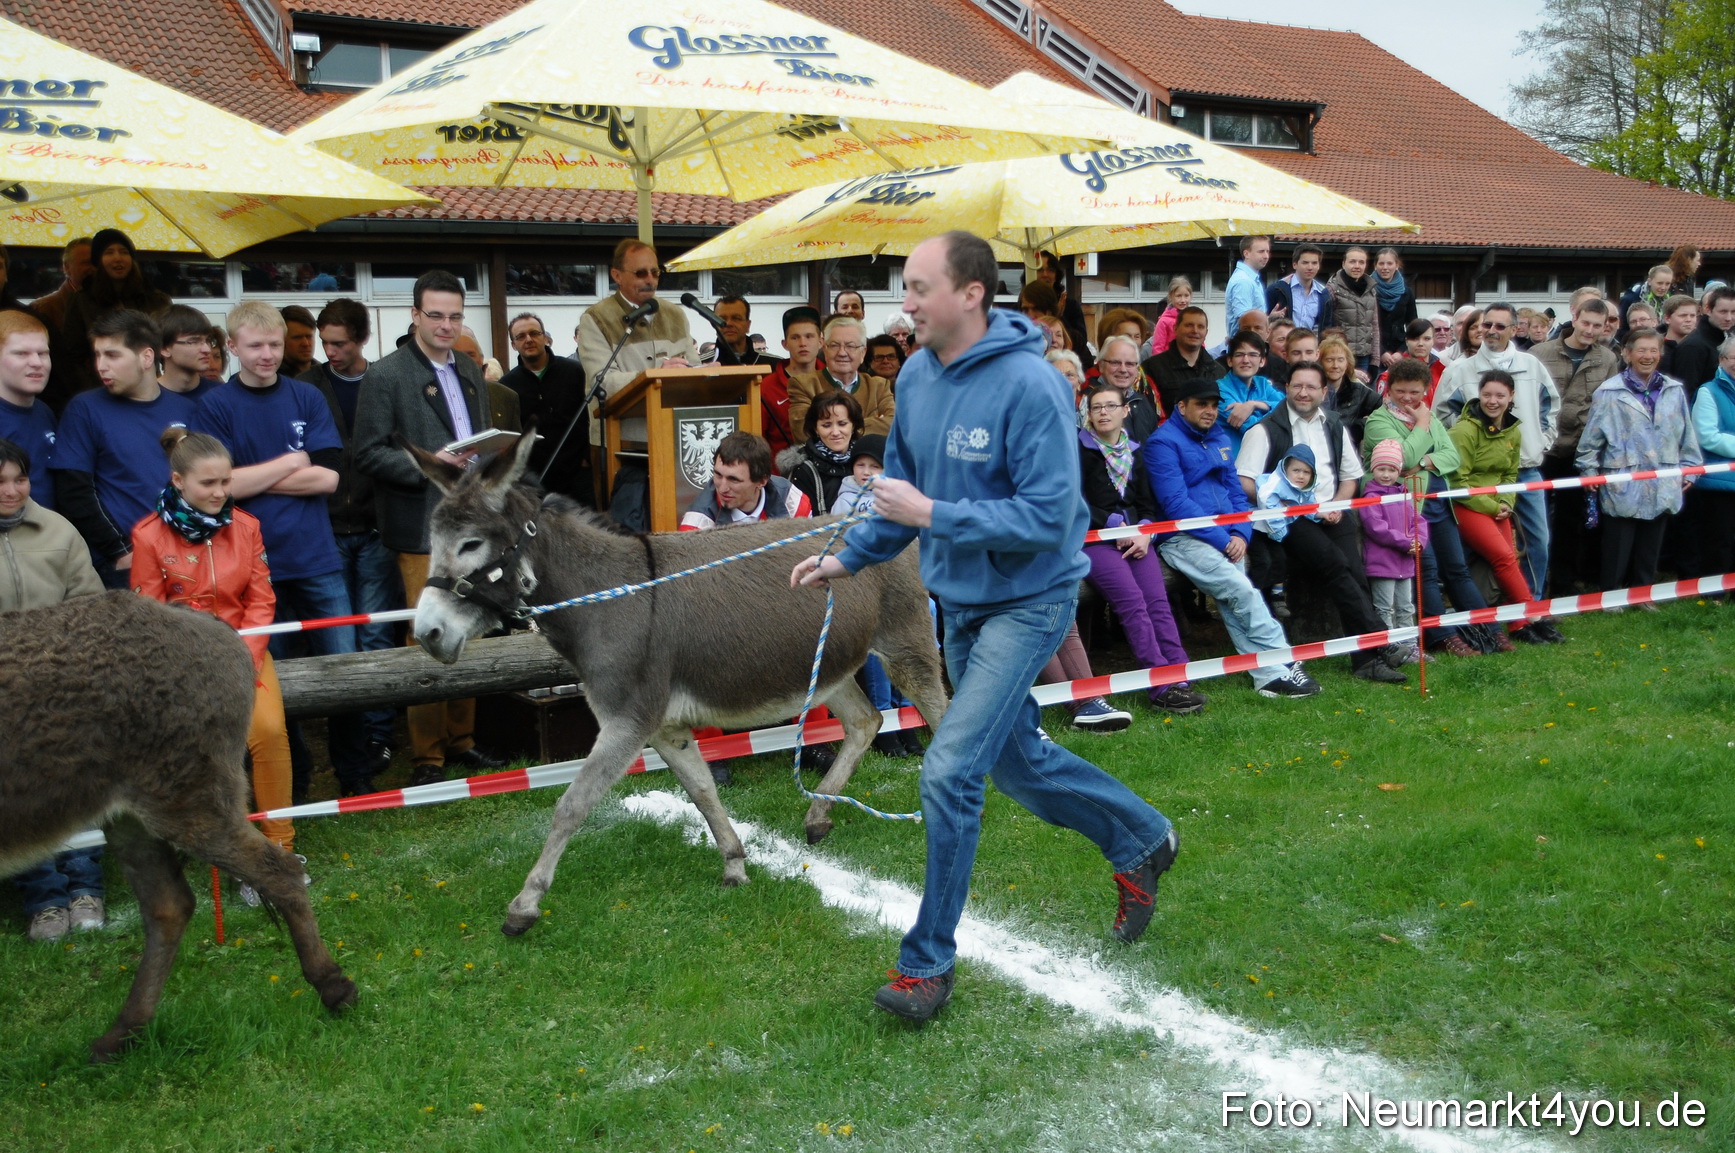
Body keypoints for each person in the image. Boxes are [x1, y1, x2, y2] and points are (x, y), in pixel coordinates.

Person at [792, 231, 1179, 1022]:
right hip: (960, 607)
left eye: (917, 288)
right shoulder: (921, 381)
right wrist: (848, 557)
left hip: (1030, 601)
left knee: (950, 768)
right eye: (902, 288)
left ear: (970, 294)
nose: (903, 306)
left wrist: (933, 514)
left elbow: (1050, 519)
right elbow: (897, 493)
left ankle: (924, 965)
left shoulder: (1031, 386)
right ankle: (1141, 837)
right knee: (1015, 764)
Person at [193, 301, 379, 802]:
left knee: (346, 672)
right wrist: (291, 462)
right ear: (232, 347)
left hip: (318, 557)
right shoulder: (215, 405)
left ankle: (355, 773)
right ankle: (291, 779)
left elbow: (329, 477)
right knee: (271, 682)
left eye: (275, 344)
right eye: (256, 345)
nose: (268, 354)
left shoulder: (306, 395)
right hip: (252, 567)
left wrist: (256, 475)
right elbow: (221, 486)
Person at [131, 428, 303, 904]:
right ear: (179, 481)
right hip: (182, 666)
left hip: (242, 653)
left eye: (226, 482)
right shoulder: (148, 536)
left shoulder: (246, 526)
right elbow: (152, 616)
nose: (220, 493)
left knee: (267, 732)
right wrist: (192, 674)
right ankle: (238, 855)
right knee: (211, 755)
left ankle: (280, 849)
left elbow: (262, 599)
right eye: (208, 484)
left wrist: (240, 663)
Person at [353, 270, 505, 787]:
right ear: (414, 316)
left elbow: (476, 440)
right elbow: (367, 452)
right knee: (429, 634)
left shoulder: (466, 366)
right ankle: (427, 757)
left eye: (455, 316)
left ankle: (462, 741)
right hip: (420, 525)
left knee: (472, 627)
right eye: (435, 315)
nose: (445, 325)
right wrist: (428, 464)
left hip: (471, 521)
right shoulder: (385, 375)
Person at [1145, 377, 1321, 698]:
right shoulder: (1162, 443)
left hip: (1228, 533)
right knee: (1243, 593)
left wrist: (1240, 531)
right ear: (1181, 406)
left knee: (1234, 598)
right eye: (1201, 404)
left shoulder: (1218, 438)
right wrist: (1223, 538)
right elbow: (1175, 504)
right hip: (1181, 536)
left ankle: (1267, 677)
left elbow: (1236, 493)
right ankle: (1285, 657)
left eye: (1213, 404)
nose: (1210, 411)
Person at [1238, 362, 1407, 685]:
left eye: (1310, 387)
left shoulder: (1334, 424)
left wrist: (1336, 505)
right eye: (1297, 386)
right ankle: (1381, 639)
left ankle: (1367, 661)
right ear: (1286, 388)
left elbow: (1351, 476)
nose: (1303, 392)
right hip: (1288, 519)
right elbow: (1243, 479)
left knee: (1356, 576)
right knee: (1334, 565)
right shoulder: (1264, 429)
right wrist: (1281, 499)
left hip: (1331, 511)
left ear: (1323, 392)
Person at [0, 435, 106, 941]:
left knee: (77, 785)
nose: (12, 490)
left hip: (66, 683)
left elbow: (91, 607)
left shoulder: (59, 531)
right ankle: (44, 897)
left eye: (19, 479)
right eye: (0, 482)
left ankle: (86, 888)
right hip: (5, 694)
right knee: (21, 794)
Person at [298, 297, 400, 787]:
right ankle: (354, 745)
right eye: (324, 342)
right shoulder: (307, 386)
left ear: (361, 340)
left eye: (338, 343)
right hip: (329, 529)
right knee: (340, 638)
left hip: (378, 524)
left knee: (377, 633)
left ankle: (380, 735)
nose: (329, 351)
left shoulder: (383, 380)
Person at [1078, 384, 1206, 714]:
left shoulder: (1137, 451)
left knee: (1157, 601)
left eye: (1110, 406)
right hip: (1093, 540)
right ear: (1089, 416)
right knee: (1132, 603)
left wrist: (1145, 533)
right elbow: (1072, 502)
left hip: (1136, 539)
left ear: (1126, 410)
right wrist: (1110, 523)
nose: (1103, 412)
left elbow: (1148, 506)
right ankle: (1160, 686)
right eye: (1096, 408)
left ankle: (1179, 674)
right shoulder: (1077, 452)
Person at [49, 310, 197, 589]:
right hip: (126, 563)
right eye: (98, 355)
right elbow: (74, 490)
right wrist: (119, 551)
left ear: (146, 357)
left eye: (112, 355)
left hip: (187, 557)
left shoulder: (186, 409)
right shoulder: (85, 409)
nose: (101, 366)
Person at [1434, 303, 1560, 599]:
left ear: (1515, 330)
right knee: (1475, 547)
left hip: (1524, 469)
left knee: (1537, 542)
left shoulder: (1531, 365)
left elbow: (1550, 407)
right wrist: (1466, 446)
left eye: (1499, 326)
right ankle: (1478, 608)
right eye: (1486, 324)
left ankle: (1531, 607)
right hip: (1474, 478)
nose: (1490, 331)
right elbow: (1441, 417)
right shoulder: (1460, 370)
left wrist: (1540, 442)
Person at [1361, 358, 1483, 657]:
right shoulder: (1379, 420)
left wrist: (1424, 463)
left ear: (1426, 390)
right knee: (1425, 571)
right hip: (1405, 509)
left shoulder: (1428, 416)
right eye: (1400, 391)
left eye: (1415, 392)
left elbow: (1451, 457)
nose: (1407, 398)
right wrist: (1423, 426)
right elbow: (1398, 462)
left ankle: (1487, 628)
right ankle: (1441, 636)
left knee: (1456, 566)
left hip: (1439, 504)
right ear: (1388, 390)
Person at [1577, 329, 1702, 597]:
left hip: (1663, 476)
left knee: (1651, 543)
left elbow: (1686, 431)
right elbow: (1591, 439)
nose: (1648, 356)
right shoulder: (1609, 392)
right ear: (1627, 354)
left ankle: (1643, 594)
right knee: (1618, 543)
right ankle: (1610, 595)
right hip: (1623, 476)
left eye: (1653, 350)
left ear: (1660, 353)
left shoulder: (1673, 389)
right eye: (1641, 350)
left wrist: (1691, 467)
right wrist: (1588, 470)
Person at [577, 239, 699, 507]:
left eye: (655, 272)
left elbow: (691, 367)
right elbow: (602, 382)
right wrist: (656, 373)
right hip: (620, 444)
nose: (650, 280)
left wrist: (704, 372)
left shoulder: (675, 314)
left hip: (673, 436)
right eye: (641, 273)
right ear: (616, 276)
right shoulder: (596, 319)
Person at [1447, 371, 1561, 643]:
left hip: (1498, 504)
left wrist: (1506, 503)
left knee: (1511, 560)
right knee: (1504, 558)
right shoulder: (1463, 430)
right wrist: (1490, 506)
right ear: (1479, 394)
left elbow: (1511, 475)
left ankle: (1519, 625)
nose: (1492, 401)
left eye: (1500, 395)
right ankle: (1535, 617)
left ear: (1511, 397)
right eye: (1487, 394)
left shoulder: (1514, 430)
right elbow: (1456, 481)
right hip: (1466, 503)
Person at [1533, 298, 1620, 592]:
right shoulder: (1540, 353)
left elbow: (1608, 407)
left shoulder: (1607, 359)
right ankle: (1532, 583)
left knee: (1571, 523)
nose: (1590, 330)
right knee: (1534, 522)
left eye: (1597, 325)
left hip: (1579, 452)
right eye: (1586, 323)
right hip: (1542, 450)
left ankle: (1563, 584)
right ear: (1575, 317)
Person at [60, 228, 171, 399]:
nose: (118, 258)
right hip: (102, 390)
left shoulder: (156, 299)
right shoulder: (82, 301)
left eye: (124, 252)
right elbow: (72, 355)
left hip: (149, 389)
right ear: (98, 261)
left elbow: (168, 345)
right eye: (109, 252)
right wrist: (89, 388)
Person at [499, 311, 590, 502]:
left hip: (577, 474)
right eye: (521, 336)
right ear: (514, 345)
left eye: (534, 333)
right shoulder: (507, 385)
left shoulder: (574, 372)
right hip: (534, 480)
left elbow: (588, 417)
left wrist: (586, 458)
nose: (529, 339)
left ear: (545, 338)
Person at [1358, 439, 1429, 662]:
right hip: (1382, 564)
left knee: (1406, 607)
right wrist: (1404, 542)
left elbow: (1418, 520)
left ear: (1398, 470)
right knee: (1384, 609)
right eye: (1381, 469)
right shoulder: (1370, 497)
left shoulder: (1404, 494)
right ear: (1373, 469)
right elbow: (1376, 527)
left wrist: (1419, 541)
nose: (1386, 474)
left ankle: (1410, 646)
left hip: (1405, 563)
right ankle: (1390, 648)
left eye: (1391, 469)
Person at [787, 316, 894, 437]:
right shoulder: (803, 385)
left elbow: (895, 426)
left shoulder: (879, 386)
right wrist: (872, 424)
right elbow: (804, 433)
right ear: (825, 349)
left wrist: (829, 427)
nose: (842, 353)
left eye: (850, 346)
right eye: (834, 345)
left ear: (863, 353)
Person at [681, 430, 808, 529]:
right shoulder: (697, 523)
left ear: (762, 481)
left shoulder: (792, 501)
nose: (722, 488)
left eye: (733, 479)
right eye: (718, 475)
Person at [0, 312, 58, 509]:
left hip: (50, 532)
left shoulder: (44, 412)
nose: (36, 362)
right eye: (21, 353)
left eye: (43, 353)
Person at [1689, 335, 1735, 580]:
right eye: (1734, 357)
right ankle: (1713, 591)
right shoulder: (1709, 391)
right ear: (1722, 360)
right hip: (1721, 479)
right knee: (1719, 539)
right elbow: (1707, 436)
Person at [780, 389, 861, 515]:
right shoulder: (803, 469)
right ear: (815, 429)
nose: (835, 432)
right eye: (826, 425)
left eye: (842, 424)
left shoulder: (867, 459)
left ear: (853, 425)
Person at [759, 306, 822, 466]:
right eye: (795, 337)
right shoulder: (766, 387)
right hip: (783, 479)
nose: (803, 343)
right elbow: (759, 442)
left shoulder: (834, 380)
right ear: (785, 344)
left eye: (809, 336)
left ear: (821, 341)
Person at [1214, 331, 1284, 455]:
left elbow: (1287, 406)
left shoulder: (1263, 384)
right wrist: (1277, 418)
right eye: (1240, 355)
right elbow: (1254, 428)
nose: (1246, 360)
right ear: (1230, 360)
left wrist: (1256, 404)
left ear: (1262, 361)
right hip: (1231, 465)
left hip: (1262, 463)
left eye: (1253, 355)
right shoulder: (1218, 389)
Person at [1142, 305, 1217, 414]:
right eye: (1189, 325)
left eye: (1200, 326)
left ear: (1206, 332)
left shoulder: (1217, 370)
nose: (1195, 330)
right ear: (1175, 329)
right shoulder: (1152, 368)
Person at [1670, 285, 1735, 399]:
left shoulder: (1727, 338)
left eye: (1733, 312)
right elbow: (1686, 393)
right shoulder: (1693, 346)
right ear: (1708, 310)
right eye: (1723, 312)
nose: (1729, 318)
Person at [1094, 334, 1162, 441]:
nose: (1123, 369)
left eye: (1130, 364)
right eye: (1115, 362)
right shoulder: (1088, 402)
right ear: (1101, 365)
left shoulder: (1142, 402)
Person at [1319, 335, 1381, 450]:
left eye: (1340, 360)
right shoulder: (1314, 390)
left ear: (1347, 363)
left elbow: (1384, 411)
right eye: (1329, 360)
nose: (1335, 366)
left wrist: (1359, 427)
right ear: (1321, 362)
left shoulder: (1357, 390)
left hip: (1349, 452)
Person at [26, 236, 90, 338]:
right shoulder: (43, 310)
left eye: (97, 263)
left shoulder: (114, 306)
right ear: (66, 267)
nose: (94, 268)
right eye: (86, 263)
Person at [156, 304, 223, 401]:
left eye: (208, 340)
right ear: (164, 349)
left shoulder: (221, 396)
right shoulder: (146, 398)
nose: (207, 349)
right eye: (194, 341)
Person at [1327, 247, 1380, 370]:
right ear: (1343, 264)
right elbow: (1326, 326)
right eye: (1352, 261)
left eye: (1361, 262)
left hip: (1364, 357)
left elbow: (1375, 326)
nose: (1357, 266)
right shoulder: (1332, 289)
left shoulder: (1371, 290)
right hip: (1340, 356)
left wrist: (1375, 360)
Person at [1265, 244, 1335, 331]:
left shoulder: (1324, 294)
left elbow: (1326, 327)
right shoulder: (1277, 290)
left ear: (1319, 266)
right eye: (1305, 263)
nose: (1310, 267)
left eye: (1314, 263)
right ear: (1295, 264)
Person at [1375, 318, 1446, 400]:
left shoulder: (1443, 370)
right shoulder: (1391, 375)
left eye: (1426, 339)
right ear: (1406, 341)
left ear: (1433, 340)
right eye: (1415, 339)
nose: (1420, 344)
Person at [1373, 248, 1418, 368]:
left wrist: (1402, 351)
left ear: (1397, 265)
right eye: (1381, 263)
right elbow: (1364, 327)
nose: (1385, 267)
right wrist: (1381, 352)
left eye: (1389, 263)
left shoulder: (1406, 292)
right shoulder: (1368, 290)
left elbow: (1412, 326)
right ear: (1375, 266)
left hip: (1399, 354)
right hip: (1373, 354)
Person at [1224, 235, 1272, 329]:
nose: (1266, 256)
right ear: (1246, 254)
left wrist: (1269, 318)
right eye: (1261, 251)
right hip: (1248, 341)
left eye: (1267, 251)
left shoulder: (1250, 279)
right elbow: (1245, 320)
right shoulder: (1243, 281)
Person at [1146, 277, 1191, 356]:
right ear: (1170, 296)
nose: (1183, 300)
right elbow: (1158, 348)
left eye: (1186, 296)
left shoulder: (1193, 318)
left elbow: (1200, 343)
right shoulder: (1164, 321)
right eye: (1179, 296)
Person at [1659, 294, 1699, 378]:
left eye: (1692, 315)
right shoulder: (1656, 349)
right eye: (1683, 315)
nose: (1689, 320)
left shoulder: (1699, 347)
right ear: (1667, 319)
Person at [279, 305, 317, 381]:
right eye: (297, 337)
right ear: (282, 340)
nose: (306, 343)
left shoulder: (326, 374)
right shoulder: (273, 379)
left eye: (309, 336)